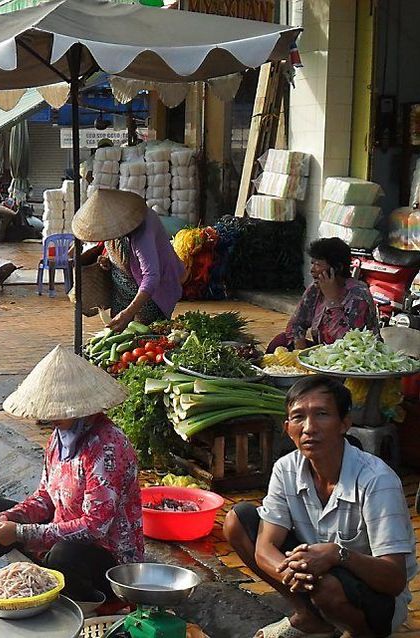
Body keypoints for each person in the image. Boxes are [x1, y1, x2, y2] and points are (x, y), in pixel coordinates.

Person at [224, 376, 416, 638]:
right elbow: (265, 547)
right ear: (287, 427)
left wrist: (338, 554)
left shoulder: (376, 480)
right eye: (298, 417)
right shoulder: (286, 468)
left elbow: (394, 579)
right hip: (314, 577)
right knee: (237, 520)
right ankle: (310, 617)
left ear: (344, 424)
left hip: (376, 598)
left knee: (326, 586)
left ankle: (358, 632)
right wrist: (296, 574)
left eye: (322, 414)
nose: (309, 428)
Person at [0, 346, 143, 602]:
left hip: (107, 558)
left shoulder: (107, 447)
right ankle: (37, 576)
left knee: (62, 556)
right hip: (60, 531)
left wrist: (21, 532)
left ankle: (83, 597)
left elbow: (95, 528)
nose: (49, 418)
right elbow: (46, 496)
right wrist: (8, 517)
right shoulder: (59, 437)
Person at [72, 189, 185, 330]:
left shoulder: (143, 229)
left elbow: (151, 276)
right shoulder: (113, 226)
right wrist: (107, 260)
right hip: (121, 290)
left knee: (144, 338)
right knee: (118, 334)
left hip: (150, 295)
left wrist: (128, 312)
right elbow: (119, 252)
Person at [269, 238, 380, 353]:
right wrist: (300, 352)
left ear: (337, 268)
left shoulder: (358, 295)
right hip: (323, 353)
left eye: (318, 265)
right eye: (312, 263)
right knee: (280, 341)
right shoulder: (315, 289)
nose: (312, 270)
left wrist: (333, 301)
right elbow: (296, 324)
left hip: (352, 356)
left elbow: (344, 341)